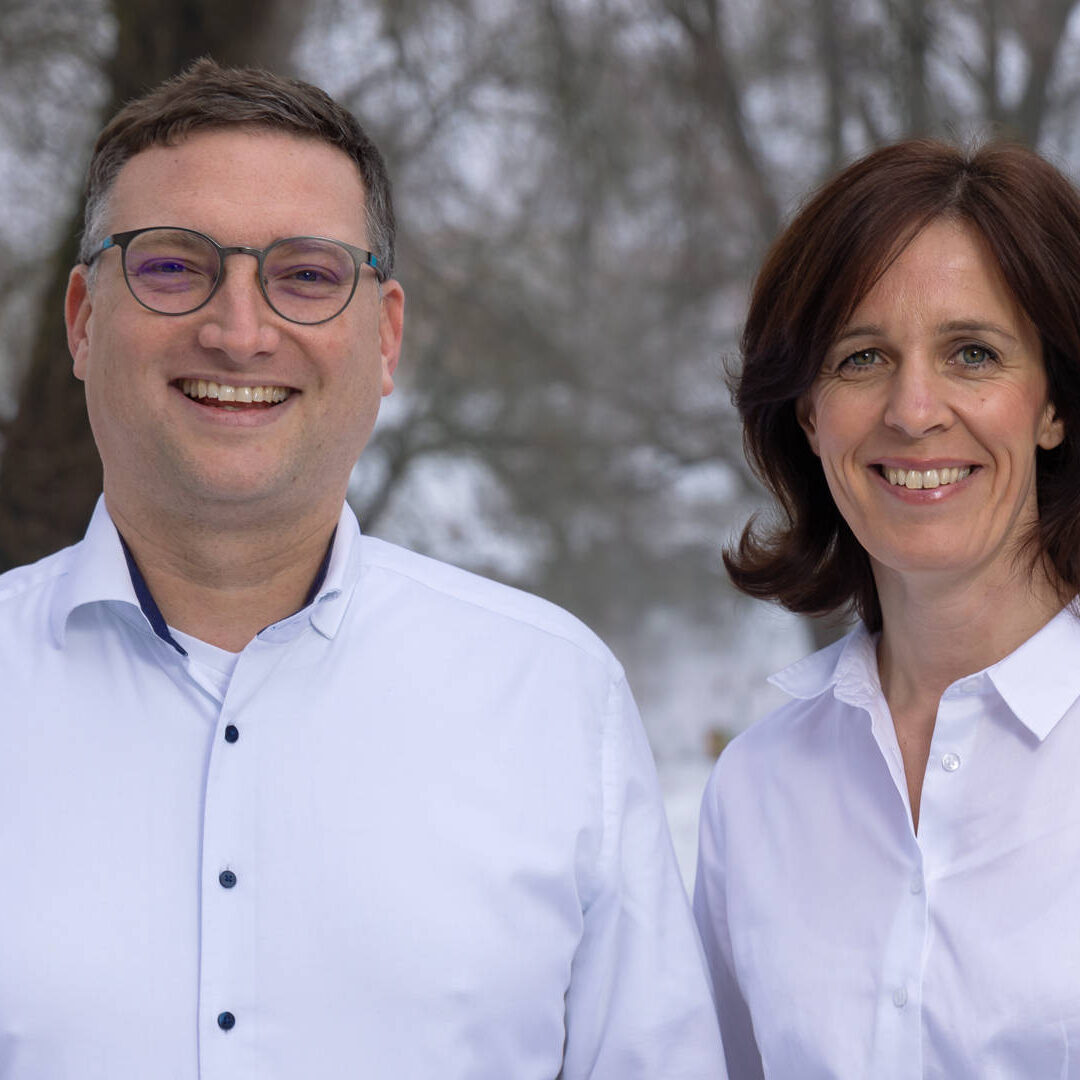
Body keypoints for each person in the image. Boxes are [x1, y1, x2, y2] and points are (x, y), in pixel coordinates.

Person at [0, 59, 724, 1078]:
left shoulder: (555, 700)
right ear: (81, 319)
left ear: (384, 336)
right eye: (171, 266)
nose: (239, 331)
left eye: (305, 274)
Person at [694, 138, 1080, 1078]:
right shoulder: (755, 794)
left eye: (973, 354)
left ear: (1054, 403)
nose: (914, 410)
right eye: (861, 358)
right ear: (809, 413)